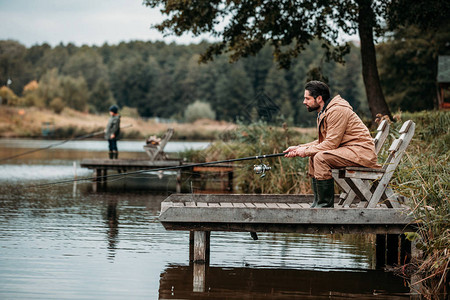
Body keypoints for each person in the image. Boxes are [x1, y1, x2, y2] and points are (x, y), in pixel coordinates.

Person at [284, 81, 379, 208]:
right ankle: (317, 203)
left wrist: (305, 151)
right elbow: (324, 141)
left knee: (320, 157)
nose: (304, 101)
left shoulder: (337, 111)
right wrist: (300, 147)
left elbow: (330, 144)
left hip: (361, 152)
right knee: (314, 156)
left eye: (307, 98)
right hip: (349, 150)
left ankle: (325, 207)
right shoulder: (325, 111)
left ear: (319, 98)